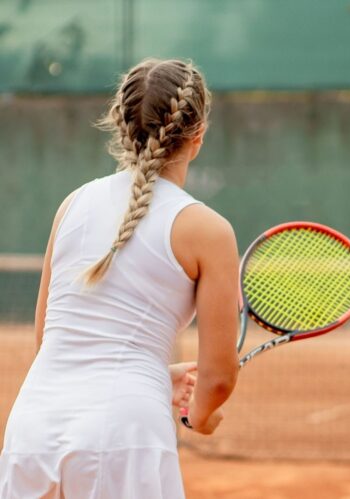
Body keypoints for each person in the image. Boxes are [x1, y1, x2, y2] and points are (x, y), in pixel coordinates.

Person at [0, 59, 240, 498]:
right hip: (124, 437)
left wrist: (152, 372)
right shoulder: (209, 230)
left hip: (31, 431)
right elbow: (219, 379)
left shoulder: (72, 204)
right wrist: (202, 417)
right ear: (199, 135)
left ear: (120, 124)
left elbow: (51, 343)